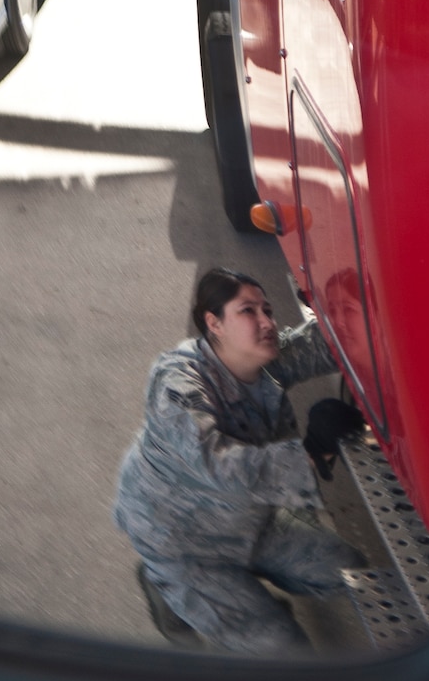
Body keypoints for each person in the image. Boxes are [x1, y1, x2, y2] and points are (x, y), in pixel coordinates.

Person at [114, 267, 365, 655]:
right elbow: (217, 465)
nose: (266, 321)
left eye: (267, 309)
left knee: (350, 570)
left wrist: (357, 309)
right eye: (248, 311)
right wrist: (315, 449)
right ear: (214, 323)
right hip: (183, 545)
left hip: (249, 522)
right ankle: (164, 583)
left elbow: (321, 345)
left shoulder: (260, 361)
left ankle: (240, 592)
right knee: (287, 654)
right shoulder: (176, 383)